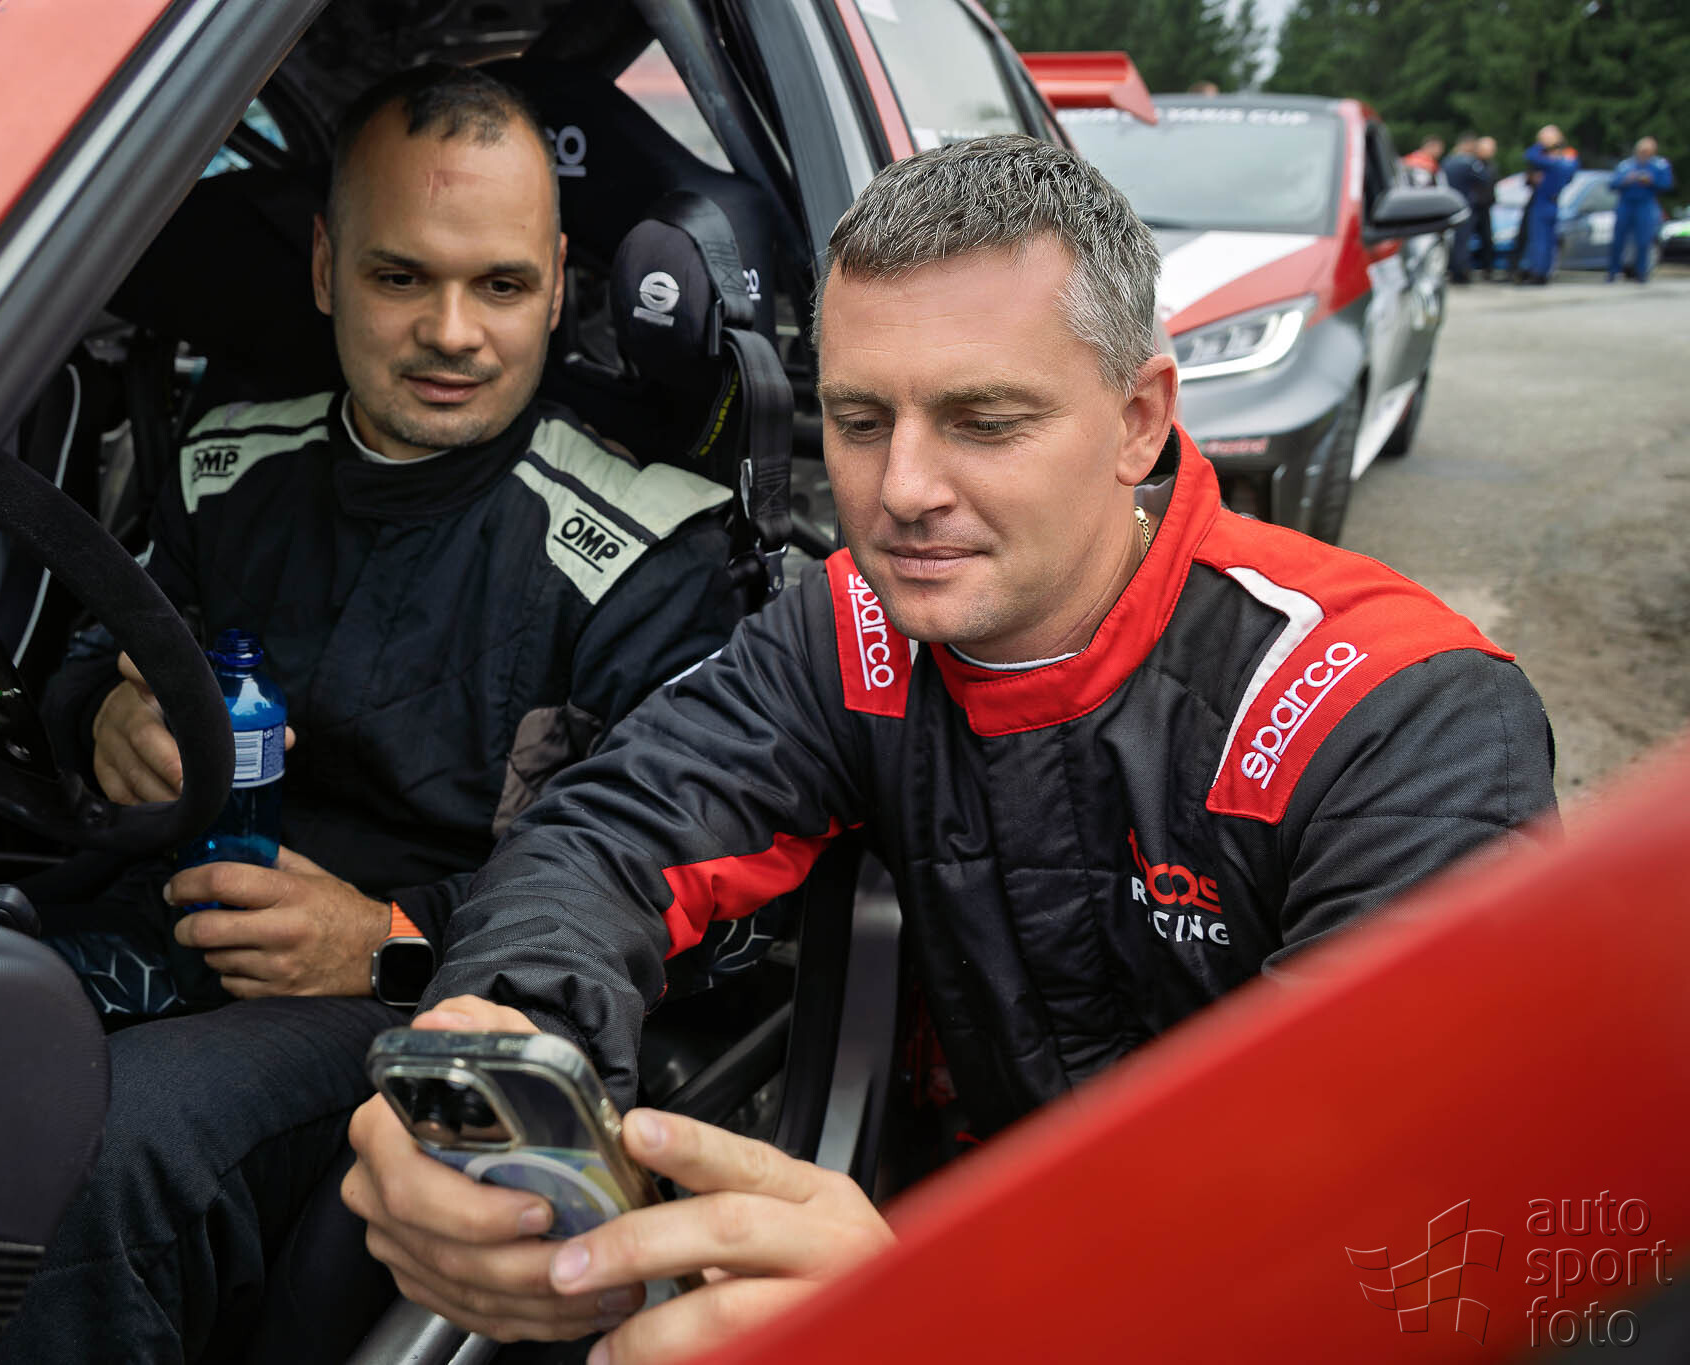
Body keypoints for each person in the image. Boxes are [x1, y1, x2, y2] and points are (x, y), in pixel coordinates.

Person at [338, 134, 1558, 1363]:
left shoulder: (1392, 711)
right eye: (860, 420)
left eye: (983, 421)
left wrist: (949, 1315)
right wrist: (500, 1042)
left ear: (1138, 421)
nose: (901, 490)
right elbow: (610, 835)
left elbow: (1399, 1233)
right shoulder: (845, 629)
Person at [0, 65, 742, 1364]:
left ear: (559, 284)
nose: (453, 332)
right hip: (155, 919)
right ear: (327, 268)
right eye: (402, 277)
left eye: (500, 285)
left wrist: (384, 942)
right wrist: (102, 718)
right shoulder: (224, 461)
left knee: (117, 1142)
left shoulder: (646, 552)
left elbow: (667, 904)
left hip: (422, 1002)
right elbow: (102, 655)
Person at [1608, 137, 1674, 283]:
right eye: (1641, 151)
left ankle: (1641, 273)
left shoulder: (1660, 165)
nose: (1644, 154)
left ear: (1653, 152)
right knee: (1618, 239)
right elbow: (1612, 184)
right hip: (1626, 204)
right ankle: (1613, 272)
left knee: (1644, 240)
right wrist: (1626, 180)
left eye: (1647, 151)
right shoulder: (1626, 165)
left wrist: (1651, 181)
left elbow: (1667, 185)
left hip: (1646, 204)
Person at [1519, 124, 1579, 283]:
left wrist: (1542, 145)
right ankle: (1544, 272)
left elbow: (1530, 155)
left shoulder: (1551, 160)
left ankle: (1538, 273)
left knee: (1539, 240)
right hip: (1553, 203)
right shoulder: (1565, 158)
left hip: (1542, 202)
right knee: (1547, 240)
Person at [1442, 134, 1496, 281]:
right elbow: (1485, 178)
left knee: (1453, 239)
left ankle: (1452, 269)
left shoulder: (1447, 161)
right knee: (1463, 240)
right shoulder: (1470, 162)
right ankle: (1461, 272)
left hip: (1449, 205)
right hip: (1465, 205)